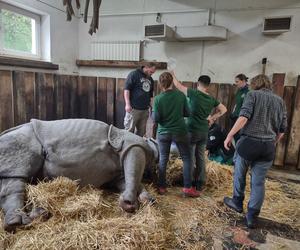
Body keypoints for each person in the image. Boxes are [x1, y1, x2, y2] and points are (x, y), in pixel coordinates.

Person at [223, 74, 287, 228]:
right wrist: (272, 142)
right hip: (268, 147)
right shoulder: (280, 101)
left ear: (254, 84)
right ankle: (252, 216)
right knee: (258, 182)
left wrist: (229, 135)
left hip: (249, 143)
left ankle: (237, 202)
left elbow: (243, 117)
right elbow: (282, 130)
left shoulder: (252, 95)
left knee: (240, 172)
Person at [171, 72, 227, 191]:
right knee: (201, 157)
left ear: (198, 84)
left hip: (192, 130)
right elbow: (224, 109)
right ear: (208, 85)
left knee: (189, 157)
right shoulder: (211, 98)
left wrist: (172, 73)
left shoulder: (194, 93)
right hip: (204, 131)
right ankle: (200, 183)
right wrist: (213, 118)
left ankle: (189, 182)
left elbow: (177, 85)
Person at [152, 72, 200, 197]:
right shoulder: (180, 96)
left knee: (163, 159)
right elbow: (188, 113)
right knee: (187, 158)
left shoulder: (157, 99)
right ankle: (187, 188)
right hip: (180, 131)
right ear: (172, 82)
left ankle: (162, 187)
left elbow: (155, 118)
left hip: (163, 133)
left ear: (160, 84)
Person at [123, 62, 156, 136]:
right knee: (128, 131)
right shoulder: (134, 74)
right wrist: (127, 104)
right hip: (133, 109)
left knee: (141, 133)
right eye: (151, 72)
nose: (151, 74)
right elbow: (126, 89)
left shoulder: (150, 79)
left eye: (153, 73)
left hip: (144, 110)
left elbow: (150, 95)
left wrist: (152, 107)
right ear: (146, 67)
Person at [230, 74, 250, 141]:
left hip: (241, 117)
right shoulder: (239, 91)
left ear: (243, 81)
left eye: (237, 81)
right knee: (235, 137)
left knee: (240, 138)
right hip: (235, 116)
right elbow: (237, 104)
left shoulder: (249, 92)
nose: (236, 83)